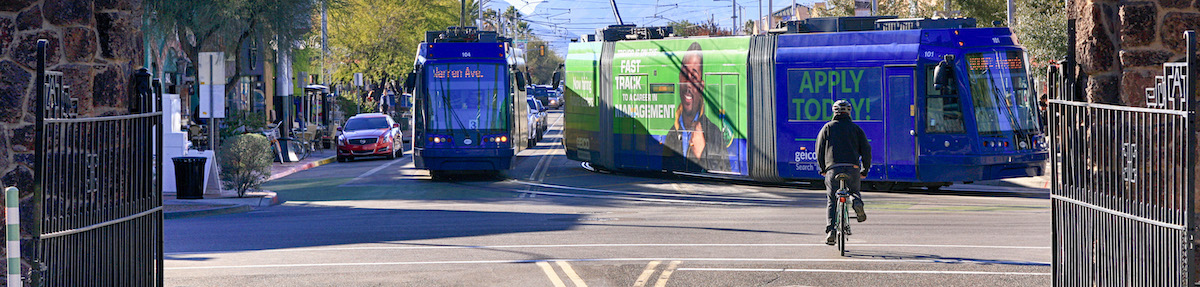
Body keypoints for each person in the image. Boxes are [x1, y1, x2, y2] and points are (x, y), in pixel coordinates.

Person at [664, 42, 729, 172]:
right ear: (679, 80)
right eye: (684, 75)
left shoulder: (714, 133)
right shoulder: (671, 134)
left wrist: (702, 152)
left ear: (701, 85)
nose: (688, 84)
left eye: (693, 76)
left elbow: (725, 172)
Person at [815, 100, 872, 245]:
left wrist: (823, 168)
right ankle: (855, 200)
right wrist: (864, 169)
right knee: (853, 190)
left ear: (834, 112)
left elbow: (819, 150)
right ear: (849, 112)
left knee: (832, 200)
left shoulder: (827, 127)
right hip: (852, 168)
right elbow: (866, 150)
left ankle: (831, 231)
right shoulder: (856, 129)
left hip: (833, 169)